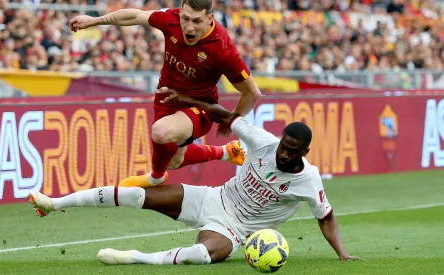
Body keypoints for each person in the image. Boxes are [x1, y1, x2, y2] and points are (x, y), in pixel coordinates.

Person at [28, 89, 358, 265]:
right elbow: (224, 114)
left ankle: (134, 259)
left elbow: (326, 217)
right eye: (284, 146)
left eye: (293, 151)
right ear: (281, 139)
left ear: (305, 151)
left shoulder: (309, 179)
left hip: (235, 228)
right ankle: (54, 203)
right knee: (138, 195)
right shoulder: (263, 141)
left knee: (205, 255)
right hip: (213, 198)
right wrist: (187, 101)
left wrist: (341, 253)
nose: (284, 154)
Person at [69, 0, 262, 188]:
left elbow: (252, 93)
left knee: (161, 132)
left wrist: (232, 121)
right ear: (180, 12)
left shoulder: (222, 49)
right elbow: (136, 15)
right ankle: (225, 153)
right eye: (186, 19)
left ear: (209, 18)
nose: (189, 27)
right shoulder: (171, 19)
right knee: (174, 162)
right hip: (166, 98)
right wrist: (94, 21)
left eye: (196, 21)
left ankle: (155, 177)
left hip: (199, 106)